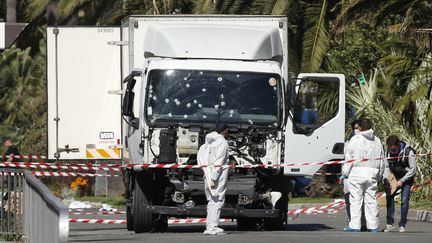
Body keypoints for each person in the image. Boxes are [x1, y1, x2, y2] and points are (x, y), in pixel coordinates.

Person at [342, 119, 386, 232]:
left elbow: (349, 158)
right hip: (372, 173)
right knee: (371, 200)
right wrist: (380, 175)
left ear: (360, 128)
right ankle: (373, 226)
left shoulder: (355, 139)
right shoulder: (377, 141)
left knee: (356, 200)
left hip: (357, 173)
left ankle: (355, 226)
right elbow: (382, 160)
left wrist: (345, 173)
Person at [197, 123, 229, 235]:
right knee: (218, 200)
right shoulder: (223, 143)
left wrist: (208, 174)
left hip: (207, 175)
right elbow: (219, 161)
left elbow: (200, 161)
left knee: (211, 201)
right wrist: (214, 178)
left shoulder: (205, 145)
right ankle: (212, 228)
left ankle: (209, 227)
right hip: (217, 177)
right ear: (224, 131)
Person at [383, 135, 416, 233]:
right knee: (389, 197)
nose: (392, 151)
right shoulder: (387, 152)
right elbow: (386, 167)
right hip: (394, 177)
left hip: (407, 177)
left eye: (394, 149)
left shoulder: (408, 151)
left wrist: (402, 181)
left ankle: (402, 224)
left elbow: (413, 170)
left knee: (404, 201)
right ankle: (389, 223)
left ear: (398, 145)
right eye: (391, 149)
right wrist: (387, 179)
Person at [340, 119, 366, 230]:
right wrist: (344, 174)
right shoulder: (348, 142)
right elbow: (346, 159)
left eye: (358, 128)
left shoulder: (368, 142)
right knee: (349, 199)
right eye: (355, 128)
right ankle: (352, 220)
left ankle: (363, 223)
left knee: (362, 200)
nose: (356, 130)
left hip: (361, 174)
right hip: (348, 176)